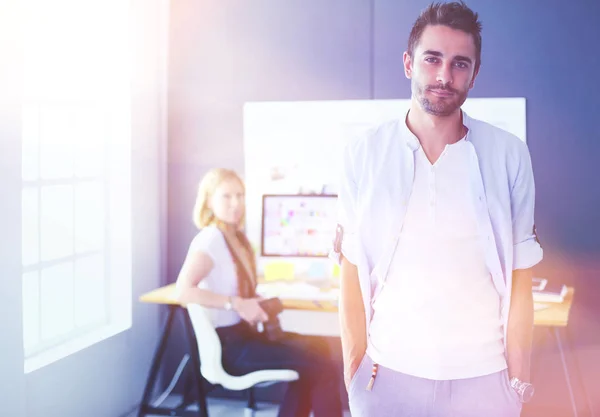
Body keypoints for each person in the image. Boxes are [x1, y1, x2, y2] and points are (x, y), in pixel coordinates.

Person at [333, 2, 542, 416]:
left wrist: (516, 383)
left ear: (475, 73)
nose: (445, 76)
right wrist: (354, 372)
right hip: (385, 378)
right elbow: (350, 267)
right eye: (433, 59)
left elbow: (521, 279)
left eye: (460, 64)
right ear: (409, 63)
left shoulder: (508, 155)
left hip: (485, 382)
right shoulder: (363, 154)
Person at [175, 168, 343, 417]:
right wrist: (236, 303)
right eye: (227, 196)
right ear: (209, 200)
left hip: (246, 336)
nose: (236, 204)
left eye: (240, 196)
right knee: (320, 364)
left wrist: (253, 301)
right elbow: (183, 292)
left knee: (319, 348)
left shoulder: (236, 237)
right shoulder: (210, 239)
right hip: (232, 347)